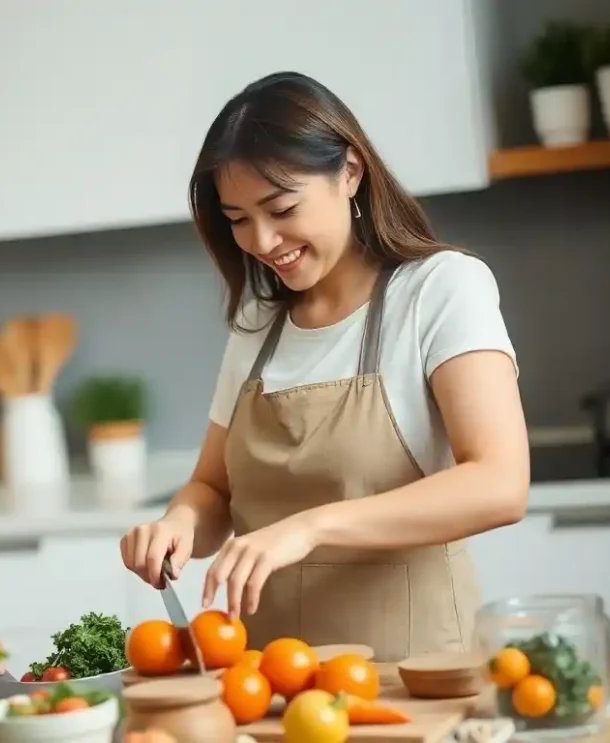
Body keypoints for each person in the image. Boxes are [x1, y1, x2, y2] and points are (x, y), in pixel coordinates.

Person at [119, 72, 529, 661]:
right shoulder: (257, 325)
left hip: (414, 672)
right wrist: (179, 524)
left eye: (281, 208)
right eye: (238, 219)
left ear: (350, 172)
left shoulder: (441, 288)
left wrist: (309, 527)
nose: (262, 241)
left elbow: (500, 483)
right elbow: (213, 488)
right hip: (267, 679)